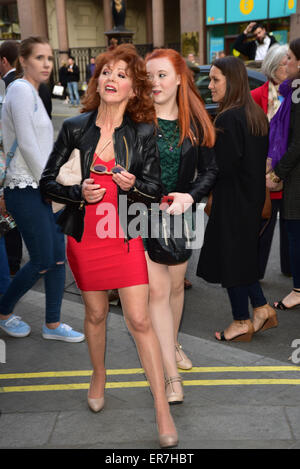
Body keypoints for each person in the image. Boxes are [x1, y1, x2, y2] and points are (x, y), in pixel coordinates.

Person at [40, 44, 178, 448]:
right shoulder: (75, 128)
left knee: (139, 320)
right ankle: (99, 374)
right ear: (96, 81)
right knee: (96, 315)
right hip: (86, 237)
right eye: (106, 72)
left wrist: (134, 185)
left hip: (127, 235)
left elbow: (156, 189)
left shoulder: (143, 132)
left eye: (121, 74)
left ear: (134, 89)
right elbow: (47, 180)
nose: (111, 79)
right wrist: (79, 192)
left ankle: (161, 408)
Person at [0, 36, 84, 343]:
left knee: (58, 256)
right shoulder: (20, 90)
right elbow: (26, 143)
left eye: (49, 58)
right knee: (41, 260)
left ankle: (52, 324)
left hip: (41, 188)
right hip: (24, 189)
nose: (47, 64)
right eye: (39, 58)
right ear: (23, 61)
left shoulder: (36, 92)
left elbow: (45, 146)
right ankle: (4, 310)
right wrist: (51, 183)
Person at [145, 49, 218, 402]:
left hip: (181, 212)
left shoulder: (196, 121)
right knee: (156, 292)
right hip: (139, 213)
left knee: (175, 288)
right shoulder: (138, 119)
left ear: (178, 79)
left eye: (161, 75)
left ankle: (171, 344)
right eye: (149, 76)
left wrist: (191, 196)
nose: (154, 82)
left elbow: (210, 170)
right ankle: (165, 366)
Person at [197, 56, 278, 342]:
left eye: (216, 79)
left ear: (231, 82)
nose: (210, 85)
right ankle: (262, 308)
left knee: (232, 261)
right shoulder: (254, 112)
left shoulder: (229, 117)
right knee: (241, 258)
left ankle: (241, 321)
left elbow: (224, 167)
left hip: (232, 201)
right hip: (251, 199)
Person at [251, 44, 291, 279]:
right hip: (265, 173)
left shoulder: (294, 95)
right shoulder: (257, 96)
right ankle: (256, 271)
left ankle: (290, 268)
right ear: (275, 68)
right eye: (286, 64)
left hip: (291, 171)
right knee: (264, 224)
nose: (290, 68)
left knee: (291, 225)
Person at [268, 38, 300, 311]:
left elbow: (298, 143)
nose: (284, 62)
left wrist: (277, 173)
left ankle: (298, 291)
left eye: (289, 57)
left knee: (294, 233)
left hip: (297, 180)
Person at [0, 40, 23, 277]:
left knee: (8, 219)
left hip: (10, 165)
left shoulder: (10, 87)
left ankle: (12, 265)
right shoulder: (35, 85)